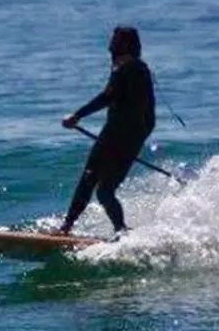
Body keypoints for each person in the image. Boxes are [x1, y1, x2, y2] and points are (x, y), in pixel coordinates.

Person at [58, 25, 157, 235]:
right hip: (125, 134)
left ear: (126, 44)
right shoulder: (134, 67)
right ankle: (119, 231)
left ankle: (68, 227)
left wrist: (77, 116)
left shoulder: (129, 67)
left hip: (120, 134)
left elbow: (108, 96)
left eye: (116, 40)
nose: (110, 44)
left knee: (94, 182)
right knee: (100, 187)